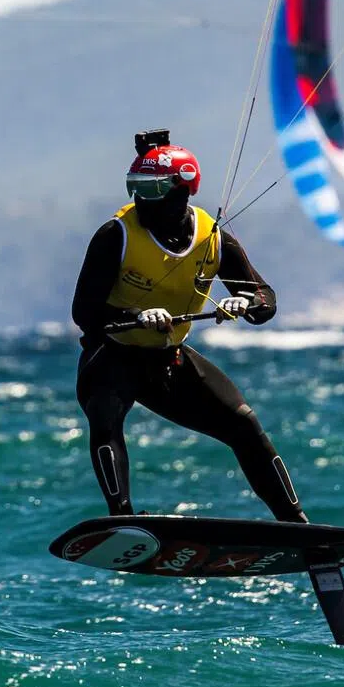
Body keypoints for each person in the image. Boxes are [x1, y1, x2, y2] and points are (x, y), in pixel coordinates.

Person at [71, 129, 308, 523]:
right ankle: (122, 518)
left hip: (169, 360)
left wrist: (246, 302)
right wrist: (136, 317)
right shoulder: (116, 236)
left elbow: (266, 298)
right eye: (137, 189)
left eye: (152, 190)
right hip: (111, 358)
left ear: (183, 190)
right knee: (105, 414)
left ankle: (295, 521)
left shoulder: (212, 238)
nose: (141, 200)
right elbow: (84, 313)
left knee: (243, 423)